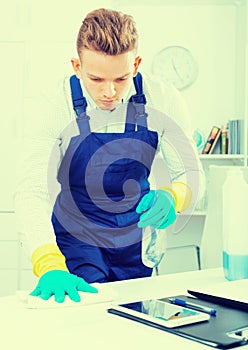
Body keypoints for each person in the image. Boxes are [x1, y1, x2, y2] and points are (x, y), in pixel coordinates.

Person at [15, 8, 205, 303]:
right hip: (78, 238)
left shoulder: (164, 98)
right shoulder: (52, 105)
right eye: (96, 79)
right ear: (76, 66)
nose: (109, 92)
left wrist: (175, 195)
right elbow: (31, 189)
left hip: (136, 240)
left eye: (121, 79)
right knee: (89, 322)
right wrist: (48, 263)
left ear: (137, 64)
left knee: (135, 320)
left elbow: (191, 174)